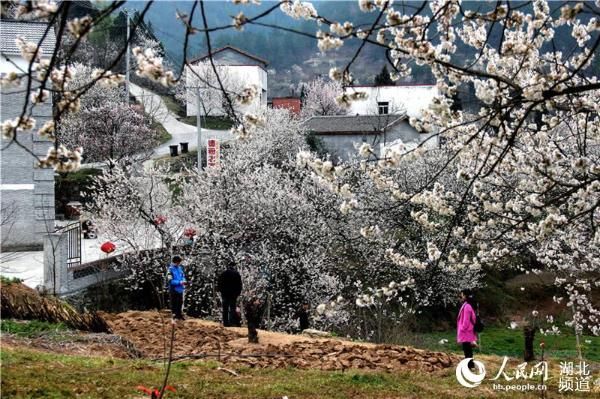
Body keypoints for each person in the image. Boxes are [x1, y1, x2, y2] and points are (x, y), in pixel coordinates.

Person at [217, 261, 242, 327]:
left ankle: (225, 322)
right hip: (233, 294)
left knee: (225, 308)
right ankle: (231, 322)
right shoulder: (237, 274)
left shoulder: (224, 273)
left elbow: (220, 283)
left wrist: (221, 290)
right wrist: (238, 293)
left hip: (225, 293)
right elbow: (239, 285)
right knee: (232, 308)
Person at [457, 289, 477, 369]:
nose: (461, 296)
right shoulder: (468, 305)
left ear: (465, 296)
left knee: (467, 350)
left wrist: (462, 329)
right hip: (467, 331)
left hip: (466, 332)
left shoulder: (467, 306)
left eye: (462, 295)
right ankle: (470, 365)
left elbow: (466, 320)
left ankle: (469, 366)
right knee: (468, 350)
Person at [167, 256, 186, 320]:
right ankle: (174, 316)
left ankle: (179, 315)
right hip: (174, 289)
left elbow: (183, 276)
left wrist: (184, 280)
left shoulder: (180, 268)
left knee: (180, 302)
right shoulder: (170, 270)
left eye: (179, 262)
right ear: (174, 262)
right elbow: (170, 281)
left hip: (180, 289)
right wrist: (179, 282)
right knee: (174, 303)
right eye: (178, 262)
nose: (179, 263)